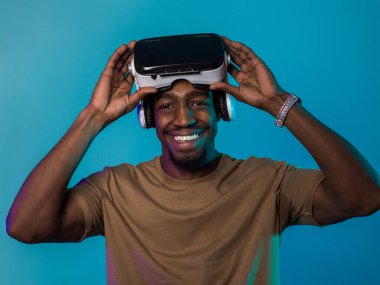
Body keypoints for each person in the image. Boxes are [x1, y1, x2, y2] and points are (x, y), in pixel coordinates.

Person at [6, 35, 380, 284]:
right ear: (148, 118)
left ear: (222, 110)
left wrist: (276, 103)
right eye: (166, 106)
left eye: (198, 103)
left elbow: (364, 197)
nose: (184, 118)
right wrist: (93, 117)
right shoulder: (114, 190)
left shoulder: (268, 182)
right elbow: (26, 227)